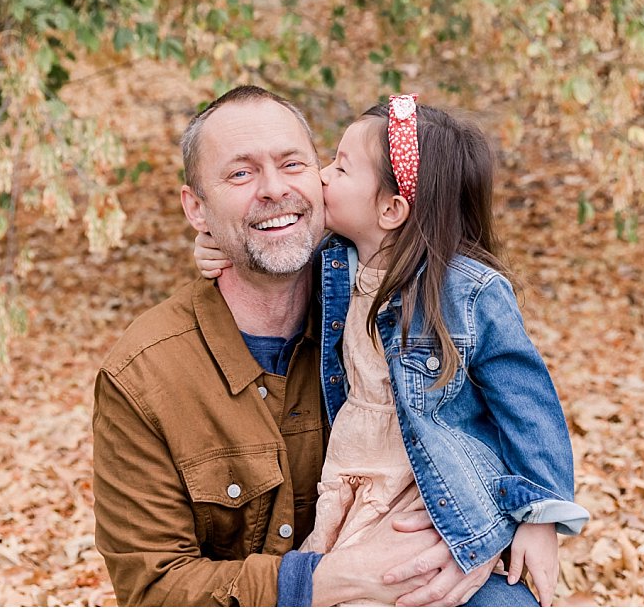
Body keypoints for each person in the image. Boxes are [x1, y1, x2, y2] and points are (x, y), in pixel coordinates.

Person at [92, 86, 496, 606]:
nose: (273, 189)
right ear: (196, 209)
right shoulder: (144, 377)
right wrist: (321, 580)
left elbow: (500, 418)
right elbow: (154, 589)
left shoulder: (398, 310)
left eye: (293, 164)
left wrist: (495, 533)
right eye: (240, 173)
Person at [195, 95, 589, 606]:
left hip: (436, 489)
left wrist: (541, 516)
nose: (318, 176)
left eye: (340, 167)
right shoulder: (334, 264)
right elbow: (268, 247)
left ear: (390, 208)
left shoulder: (466, 292)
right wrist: (214, 243)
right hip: (355, 479)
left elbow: (528, 404)